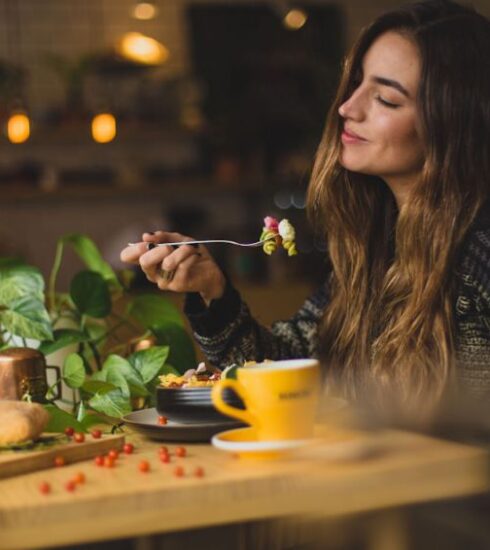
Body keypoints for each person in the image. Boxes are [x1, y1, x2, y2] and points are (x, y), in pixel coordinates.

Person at [121, 0, 490, 416]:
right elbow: (288, 362)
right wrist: (212, 289)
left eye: (385, 98)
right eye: (357, 83)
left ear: (454, 123)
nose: (347, 108)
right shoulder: (377, 244)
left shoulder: (480, 250)